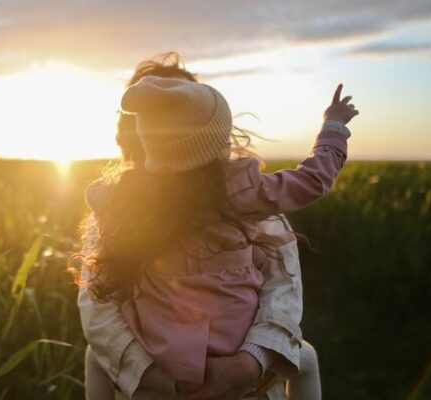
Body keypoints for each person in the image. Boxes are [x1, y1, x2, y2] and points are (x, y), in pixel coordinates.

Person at [75, 53, 358, 399]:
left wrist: (247, 363)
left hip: (183, 361)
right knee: (307, 357)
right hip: (214, 358)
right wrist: (333, 129)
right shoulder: (245, 193)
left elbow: (282, 284)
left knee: (94, 358)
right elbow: (312, 180)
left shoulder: (122, 202)